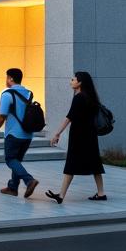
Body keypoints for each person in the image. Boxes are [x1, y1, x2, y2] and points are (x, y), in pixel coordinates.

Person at [46, 71, 106, 203]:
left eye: (73, 79)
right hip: (90, 134)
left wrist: (57, 133)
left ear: (80, 82)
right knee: (95, 162)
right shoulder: (91, 97)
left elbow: (69, 117)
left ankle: (61, 195)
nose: (71, 81)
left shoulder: (79, 97)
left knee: (72, 163)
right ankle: (101, 193)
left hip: (79, 134)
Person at [0, 67, 39, 198]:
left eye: (6, 77)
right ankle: (13, 188)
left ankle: (29, 181)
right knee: (17, 161)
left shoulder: (7, 94)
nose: (6, 80)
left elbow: (1, 116)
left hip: (13, 134)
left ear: (10, 78)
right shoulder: (28, 93)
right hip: (28, 134)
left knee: (10, 159)